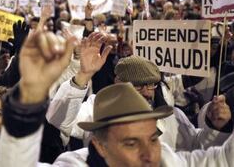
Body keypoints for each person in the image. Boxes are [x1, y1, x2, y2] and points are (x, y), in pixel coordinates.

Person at [0, 29, 234, 167]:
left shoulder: (166, 158)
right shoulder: (80, 156)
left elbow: (221, 157)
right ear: (99, 145)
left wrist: (218, 127)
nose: (149, 154)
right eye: (130, 143)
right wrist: (30, 97)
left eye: (152, 139)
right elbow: (60, 121)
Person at [47, 55, 232, 151]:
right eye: (137, 86)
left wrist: (216, 127)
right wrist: (82, 76)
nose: (146, 92)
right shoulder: (98, 108)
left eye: (151, 85)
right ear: (118, 84)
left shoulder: (173, 116)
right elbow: (60, 120)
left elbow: (197, 147)